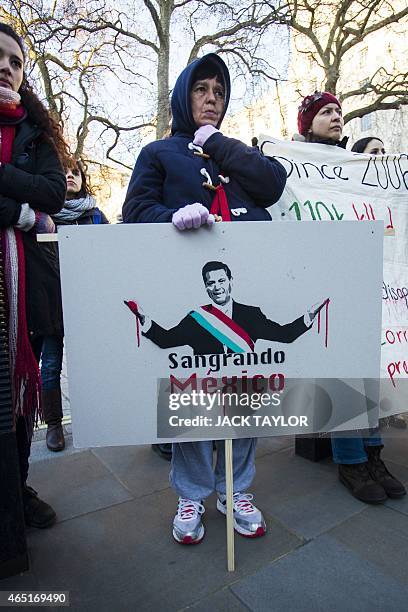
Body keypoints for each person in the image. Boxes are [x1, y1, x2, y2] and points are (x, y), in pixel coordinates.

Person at [123, 53, 287, 544]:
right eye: (201, 89)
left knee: (246, 395)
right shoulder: (157, 153)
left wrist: (218, 144)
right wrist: (169, 219)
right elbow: (134, 212)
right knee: (193, 400)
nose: (211, 98)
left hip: (247, 294)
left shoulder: (234, 152)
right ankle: (191, 491)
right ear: (182, 96)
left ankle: (235, 488)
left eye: (219, 91)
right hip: (193, 296)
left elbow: (273, 185)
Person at [296, 92, 406, 504]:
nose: (336, 117)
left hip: (365, 283)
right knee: (343, 376)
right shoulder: (297, 167)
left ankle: (374, 455)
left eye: (339, 112)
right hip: (326, 286)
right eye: (326, 112)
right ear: (307, 123)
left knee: (369, 375)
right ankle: (350, 462)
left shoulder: (356, 170)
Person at [0, 23, 68, 527]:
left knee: (20, 394)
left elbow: (52, 195)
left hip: (25, 288)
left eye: (16, 61)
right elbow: (31, 204)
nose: (7, 66)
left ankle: (17, 490)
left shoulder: (35, 134)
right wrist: (18, 210)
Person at [40, 160, 108, 452]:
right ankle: (54, 424)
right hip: (53, 303)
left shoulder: (95, 216)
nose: (69, 176)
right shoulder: (42, 216)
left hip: (87, 303)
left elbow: (110, 256)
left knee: (95, 364)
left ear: (83, 179)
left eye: (75, 173)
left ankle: (100, 419)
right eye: (64, 173)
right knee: (51, 364)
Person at [126, 260, 322, 354]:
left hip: (245, 395)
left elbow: (284, 335)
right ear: (205, 287)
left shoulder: (251, 314)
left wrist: (310, 315)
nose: (217, 287)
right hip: (205, 398)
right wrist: (144, 319)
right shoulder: (196, 318)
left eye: (221, 280)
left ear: (230, 281)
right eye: (211, 283)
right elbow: (166, 340)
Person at [351, 136, 407, 432]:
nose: (383, 156)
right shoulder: (347, 198)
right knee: (357, 385)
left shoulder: (394, 199)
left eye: (385, 151)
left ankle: (374, 451)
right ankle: (353, 460)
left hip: (391, 295)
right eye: (375, 152)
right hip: (360, 298)